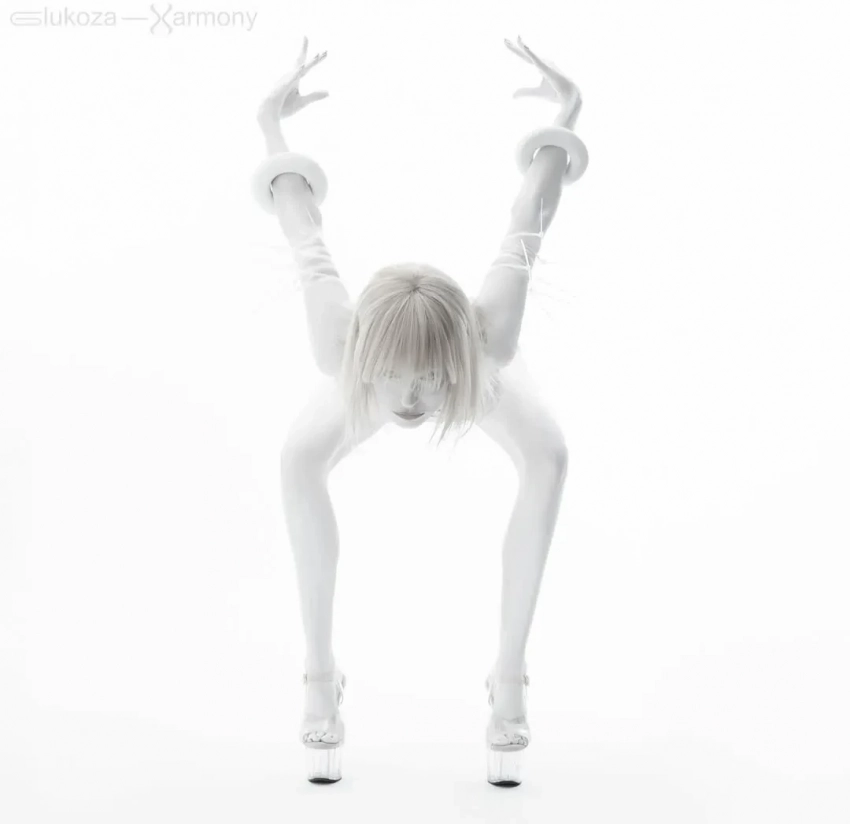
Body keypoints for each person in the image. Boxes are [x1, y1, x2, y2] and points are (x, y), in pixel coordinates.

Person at [252, 35, 587, 785]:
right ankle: (318, 676)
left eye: (426, 381)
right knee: (298, 458)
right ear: (366, 356)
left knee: (549, 456)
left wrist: (566, 115)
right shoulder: (340, 347)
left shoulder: (489, 339)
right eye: (397, 379)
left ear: (457, 357)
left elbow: (529, 215)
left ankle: (509, 677)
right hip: (373, 373)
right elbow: (301, 226)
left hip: (475, 374)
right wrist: (270, 125)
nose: (410, 402)